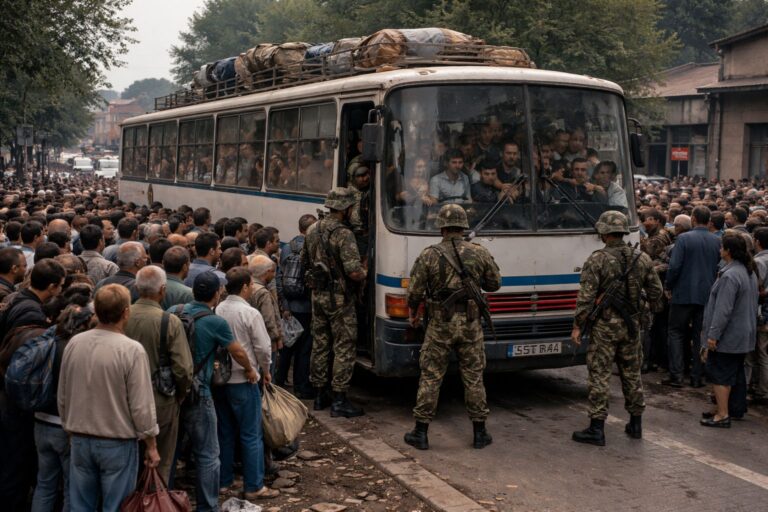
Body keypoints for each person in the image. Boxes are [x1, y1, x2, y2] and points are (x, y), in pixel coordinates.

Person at [404, 204, 501, 450]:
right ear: (463, 226)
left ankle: (421, 432)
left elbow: (414, 292)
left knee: (431, 376)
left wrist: (414, 314)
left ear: (442, 228)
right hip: (470, 325)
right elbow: (494, 284)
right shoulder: (479, 252)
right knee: (474, 377)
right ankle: (480, 433)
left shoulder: (429, 254)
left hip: (440, 324)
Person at [58, 284, 161, 512]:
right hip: (117, 441)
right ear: (126, 312)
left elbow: (63, 392)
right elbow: (141, 404)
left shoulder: (75, 342)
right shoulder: (131, 350)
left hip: (81, 437)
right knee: (117, 506)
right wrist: (151, 444)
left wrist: (69, 426)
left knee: (80, 505)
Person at [570, 211, 662, 446]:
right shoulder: (641, 258)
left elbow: (586, 298)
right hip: (632, 326)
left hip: (605, 327)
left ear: (604, 232)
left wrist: (578, 326)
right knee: (632, 373)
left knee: (600, 374)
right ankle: (635, 423)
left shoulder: (597, 259)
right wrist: (643, 309)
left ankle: (597, 428)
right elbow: (656, 293)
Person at [177, 271, 261, 512]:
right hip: (202, 391)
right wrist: (251, 370)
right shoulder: (215, 321)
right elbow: (239, 351)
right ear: (216, 293)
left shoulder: (176, 312)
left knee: (176, 448)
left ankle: (167, 495)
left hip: (175, 390)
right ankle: (210, 503)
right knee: (210, 451)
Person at [0, 259, 65, 511]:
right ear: (51, 286)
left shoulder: (18, 299)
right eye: (59, 286)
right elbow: (23, 360)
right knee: (15, 464)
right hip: (14, 402)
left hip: (10, 399)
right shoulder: (31, 313)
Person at [214, 267, 279, 500]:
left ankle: (224, 481)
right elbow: (262, 347)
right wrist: (265, 369)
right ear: (244, 286)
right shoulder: (249, 313)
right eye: (250, 285)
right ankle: (254, 485)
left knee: (225, 432)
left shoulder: (218, 308)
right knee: (251, 434)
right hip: (244, 378)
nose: (252, 288)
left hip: (220, 380)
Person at [124, 265, 193, 483]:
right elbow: (183, 368)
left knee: (129, 461)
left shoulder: (123, 315)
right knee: (161, 461)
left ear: (136, 287)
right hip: (161, 399)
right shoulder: (168, 321)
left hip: (124, 398)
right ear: (162, 290)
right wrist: (181, 394)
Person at [301, 188, 367, 417]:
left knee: (320, 344)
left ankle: (320, 395)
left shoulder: (311, 229)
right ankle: (339, 398)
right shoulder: (343, 234)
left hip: (317, 296)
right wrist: (365, 271)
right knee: (344, 346)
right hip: (339, 299)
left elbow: (305, 264)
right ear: (346, 208)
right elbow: (354, 272)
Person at [31, 305, 94, 512]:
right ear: (83, 324)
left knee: (45, 484)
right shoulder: (78, 349)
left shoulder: (49, 344)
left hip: (40, 421)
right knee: (70, 487)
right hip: (66, 425)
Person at [700, 234, 759, 427]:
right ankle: (733, 408)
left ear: (728, 251)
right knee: (735, 372)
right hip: (744, 332)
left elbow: (723, 311)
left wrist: (713, 336)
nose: (719, 250)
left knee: (720, 374)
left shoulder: (730, 275)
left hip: (729, 334)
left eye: (722, 247)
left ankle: (722, 415)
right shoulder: (747, 271)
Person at [664, 206, 721, 388]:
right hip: (706, 295)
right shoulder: (717, 240)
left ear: (694, 218)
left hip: (683, 293)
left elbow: (674, 267)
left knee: (675, 333)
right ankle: (697, 377)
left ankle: (677, 375)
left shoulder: (683, 238)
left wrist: (668, 285)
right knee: (699, 336)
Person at [275, 214, 317, 399]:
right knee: (304, 348)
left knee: (287, 346)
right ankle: (302, 386)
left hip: (290, 305)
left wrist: (284, 304)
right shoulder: (312, 249)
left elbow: (280, 277)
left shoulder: (286, 248)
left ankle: (279, 381)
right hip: (306, 306)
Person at [748, 227, 768, 405]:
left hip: (762, 313)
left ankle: (762, 390)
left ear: (758, 242)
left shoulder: (760, 261)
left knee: (760, 352)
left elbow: (757, 288)